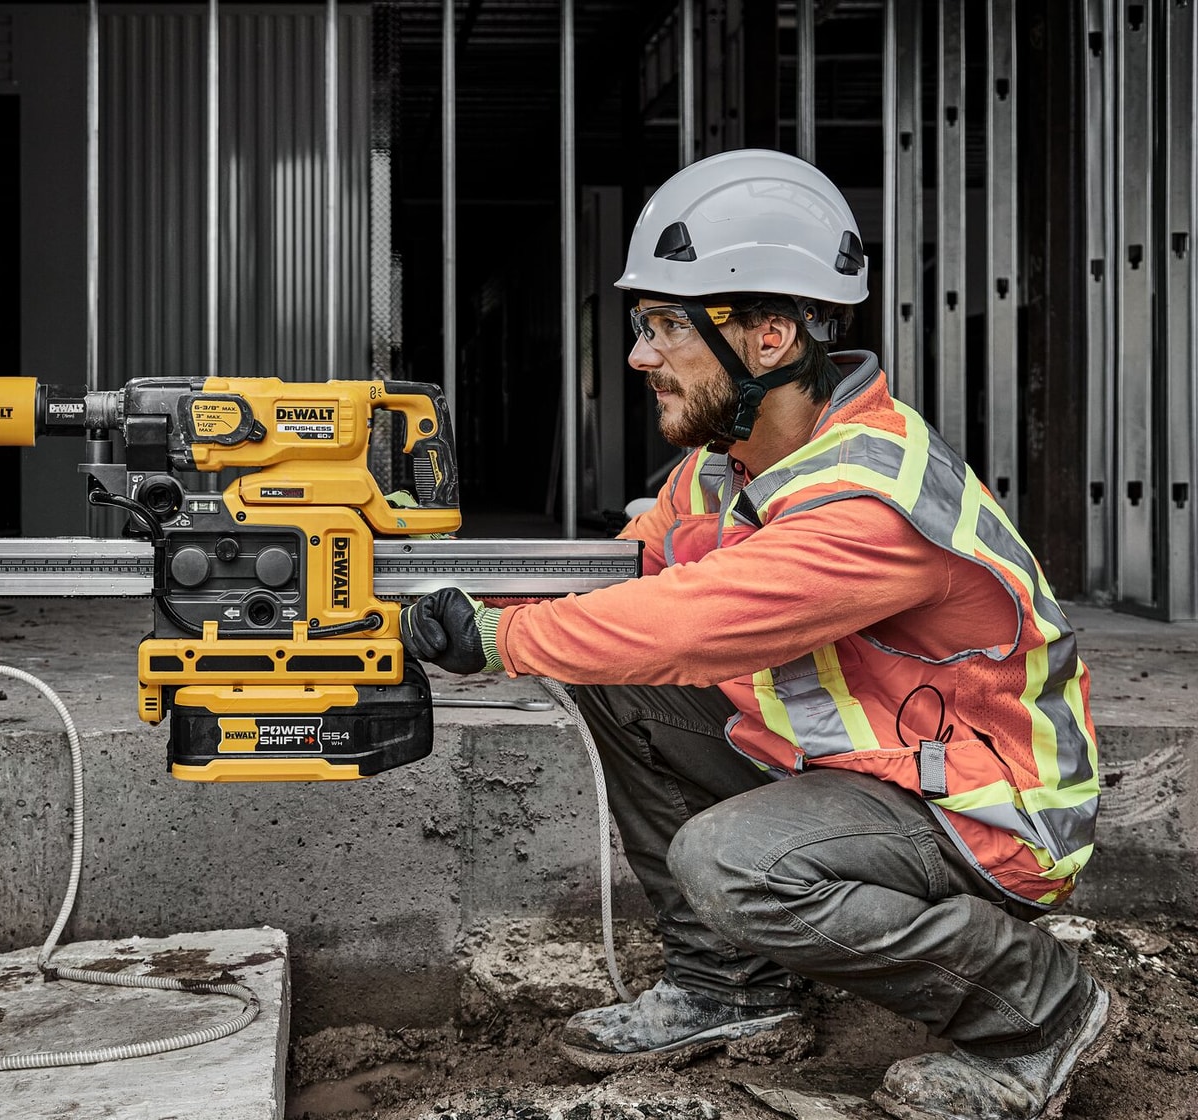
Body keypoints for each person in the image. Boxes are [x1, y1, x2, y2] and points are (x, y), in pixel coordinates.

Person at [401, 149, 1116, 1120]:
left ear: (770, 337)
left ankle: (1038, 1010)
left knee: (731, 861)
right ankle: (727, 986)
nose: (639, 356)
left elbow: (695, 622)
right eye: (641, 326)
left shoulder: (869, 494)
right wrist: (425, 587)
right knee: (615, 674)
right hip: (875, 767)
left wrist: (494, 638)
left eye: (664, 328)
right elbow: (623, 588)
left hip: (987, 806)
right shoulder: (722, 464)